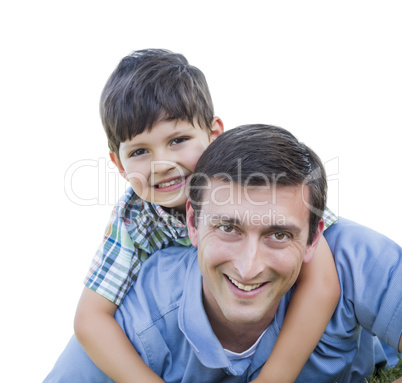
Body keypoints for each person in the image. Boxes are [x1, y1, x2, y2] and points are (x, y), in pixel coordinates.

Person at [44, 124, 402, 382]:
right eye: (229, 228)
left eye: (278, 234)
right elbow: (90, 322)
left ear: (313, 239)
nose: (248, 268)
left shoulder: (352, 257)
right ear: (192, 224)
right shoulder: (143, 314)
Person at [70, 50, 339, 383]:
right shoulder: (134, 218)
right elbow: (90, 318)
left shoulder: (252, 178)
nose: (162, 164)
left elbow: (323, 282)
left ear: (213, 134)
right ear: (118, 164)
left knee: (350, 248)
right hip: (199, 340)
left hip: (277, 325)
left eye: (178, 140)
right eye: (140, 151)